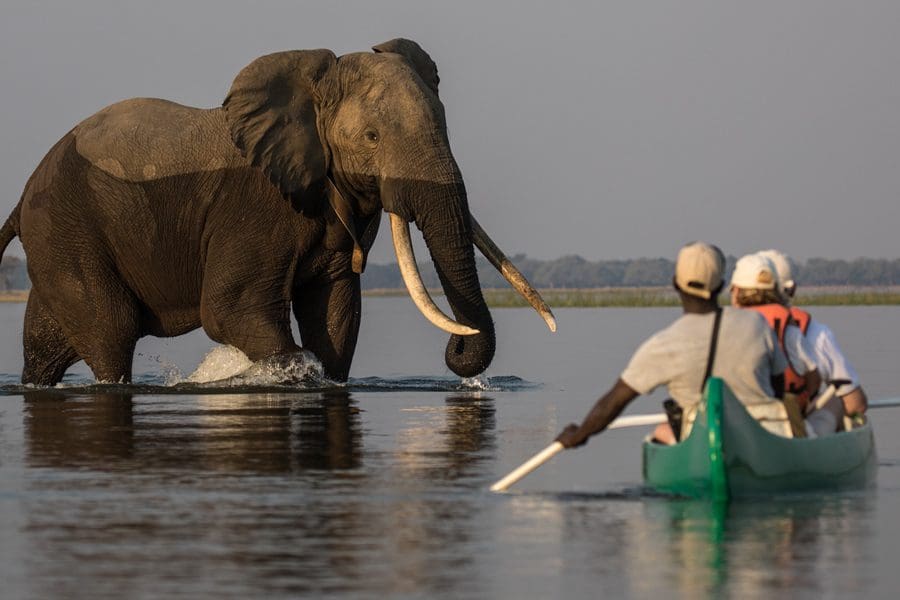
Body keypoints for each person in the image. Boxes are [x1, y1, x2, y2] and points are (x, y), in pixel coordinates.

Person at [555, 241, 791, 450]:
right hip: (766, 439)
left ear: (676, 284)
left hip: (701, 445)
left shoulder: (663, 345)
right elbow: (778, 386)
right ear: (720, 286)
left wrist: (579, 435)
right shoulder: (756, 324)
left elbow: (614, 401)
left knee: (661, 434)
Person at [730, 253, 841, 437]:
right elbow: (813, 378)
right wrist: (806, 400)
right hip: (783, 419)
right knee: (835, 401)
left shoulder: (726, 327)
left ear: (736, 292)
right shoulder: (790, 331)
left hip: (738, 417)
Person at [757, 248, 868, 417]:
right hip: (795, 426)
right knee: (838, 402)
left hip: (741, 426)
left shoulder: (727, 329)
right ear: (790, 290)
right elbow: (855, 404)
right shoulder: (817, 334)